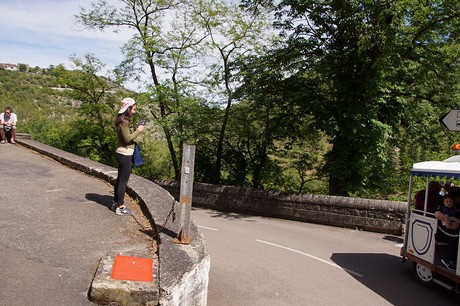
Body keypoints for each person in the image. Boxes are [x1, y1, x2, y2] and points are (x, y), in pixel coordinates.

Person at [112, 98, 145, 216]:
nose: (134, 112)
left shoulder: (122, 120)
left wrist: (134, 129)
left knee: (120, 179)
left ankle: (116, 203)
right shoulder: (124, 122)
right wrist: (138, 131)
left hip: (121, 152)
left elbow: (126, 136)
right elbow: (127, 139)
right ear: (128, 108)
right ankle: (120, 207)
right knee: (123, 181)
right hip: (124, 154)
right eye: (134, 109)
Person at [435, 194, 460, 272]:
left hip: (453, 225)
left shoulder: (452, 208)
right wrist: (453, 221)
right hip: (445, 227)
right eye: (447, 201)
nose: (449, 203)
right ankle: (448, 258)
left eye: (450, 202)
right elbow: (440, 215)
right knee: (456, 236)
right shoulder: (445, 208)